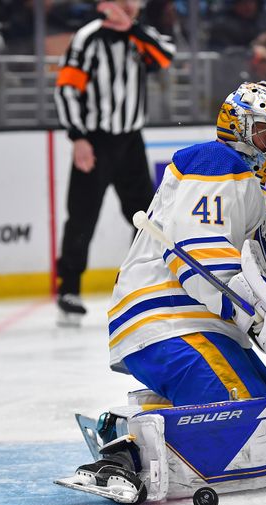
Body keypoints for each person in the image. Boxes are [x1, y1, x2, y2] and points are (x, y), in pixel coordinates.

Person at [55, 81, 266, 505]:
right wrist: (255, 316)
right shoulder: (215, 160)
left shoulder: (252, 190)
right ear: (238, 126)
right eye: (265, 131)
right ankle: (124, 456)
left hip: (202, 326)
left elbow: (255, 273)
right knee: (246, 422)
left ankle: (145, 418)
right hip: (169, 321)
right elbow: (197, 253)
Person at [53, 0, 175, 326]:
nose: (131, 8)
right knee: (82, 215)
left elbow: (166, 57)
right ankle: (70, 289)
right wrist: (78, 136)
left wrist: (132, 28)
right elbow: (66, 89)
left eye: (135, 4)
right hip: (95, 139)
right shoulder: (88, 38)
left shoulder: (139, 36)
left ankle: (150, 282)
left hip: (131, 140)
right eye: (124, 3)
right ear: (106, 4)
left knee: (146, 217)